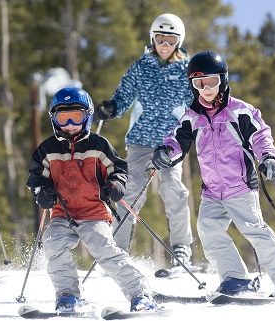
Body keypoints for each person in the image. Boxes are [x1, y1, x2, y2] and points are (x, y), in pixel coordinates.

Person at [151, 50, 275, 296]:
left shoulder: (240, 111)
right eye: (199, 83)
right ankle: (235, 278)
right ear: (192, 85)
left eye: (211, 82)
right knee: (207, 228)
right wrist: (165, 152)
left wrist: (268, 157)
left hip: (240, 186)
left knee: (254, 230)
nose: (206, 89)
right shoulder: (192, 116)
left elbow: (260, 134)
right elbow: (177, 142)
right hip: (212, 191)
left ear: (223, 80)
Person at [27, 87, 157, 312]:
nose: (69, 123)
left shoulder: (98, 145)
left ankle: (140, 293)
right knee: (52, 243)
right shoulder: (47, 149)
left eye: (76, 116)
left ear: (86, 117)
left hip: (94, 212)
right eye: (62, 117)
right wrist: (42, 192)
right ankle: (68, 294)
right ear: (53, 119)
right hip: (62, 213)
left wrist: (116, 185)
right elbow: (36, 176)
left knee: (104, 249)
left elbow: (118, 168)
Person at [94, 13, 194, 268]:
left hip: (170, 143)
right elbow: (123, 96)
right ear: (152, 38)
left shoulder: (186, 70)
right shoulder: (141, 67)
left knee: (174, 189)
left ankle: (181, 247)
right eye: (160, 38)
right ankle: (117, 249)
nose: (164, 45)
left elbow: (196, 105)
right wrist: (111, 108)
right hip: (140, 141)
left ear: (178, 42)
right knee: (130, 192)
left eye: (170, 40)